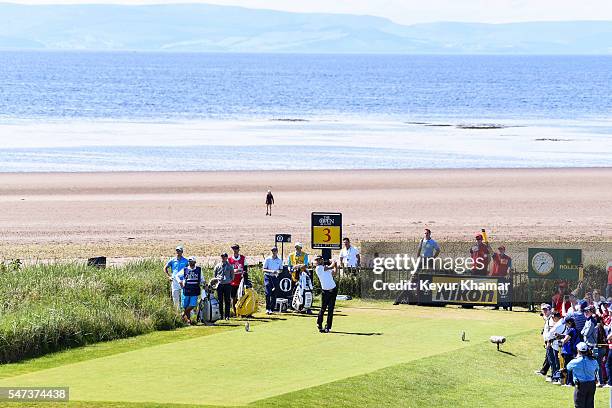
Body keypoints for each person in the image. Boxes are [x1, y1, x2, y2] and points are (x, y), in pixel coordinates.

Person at [566, 342, 598, 408]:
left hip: (581, 385)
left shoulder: (575, 361)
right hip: (592, 384)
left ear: (578, 350)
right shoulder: (594, 361)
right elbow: (597, 369)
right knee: (590, 404)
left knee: (579, 405)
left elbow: (568, 368)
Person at [174, 256, 204, 324]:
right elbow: (177, 276)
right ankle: (188, 320)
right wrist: (179, 282)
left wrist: (204, 284)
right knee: (185, 306)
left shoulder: (199, 270)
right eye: (189, 261)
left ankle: (183, 314)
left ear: (195, 262)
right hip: (186, 289)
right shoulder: (185, 269)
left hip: (195, 289)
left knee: (192, 305)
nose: (190, 262)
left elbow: (202, 279)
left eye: (192, 261)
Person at [314, 255, 338, 333]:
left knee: (330, 310)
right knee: (323, 308)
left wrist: (336, 265)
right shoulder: (319, 268)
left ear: (322, 260)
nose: (317, 261)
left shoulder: (325, 267)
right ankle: (319, 323)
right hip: (325, 291)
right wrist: (333, 261)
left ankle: (328, 327)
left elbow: (334, 273)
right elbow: (331, 267)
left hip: (333, 290)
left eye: (319, 260)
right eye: (316, 260)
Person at [164, 245, 189, 309]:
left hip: (182, 281)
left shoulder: (186, 261)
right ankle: (177, 312)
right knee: (175, 297)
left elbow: (189, 269)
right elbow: (165, 268)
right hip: (174, 280)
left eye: (179, 251)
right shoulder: (172, 260)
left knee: (184, 297)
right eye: (177, 250)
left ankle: (185, 311)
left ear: (182, 252)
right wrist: (168, 276)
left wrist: (187, 278)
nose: (178, 252)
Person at [214, 253, 234, 321]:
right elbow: (215, 275)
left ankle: (227, 316)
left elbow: (232, 276)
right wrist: (218, 281)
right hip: (219, 285)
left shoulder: (230, 266)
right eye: (222, 256)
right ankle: (220, 315)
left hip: (227, 285)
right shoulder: (217, 266)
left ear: (227, 257)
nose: (223, 258)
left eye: (224, 256)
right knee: (220, 301)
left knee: (227, 300)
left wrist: (228, 281)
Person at [262, 247, 283, 314]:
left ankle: (271, 309)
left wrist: (277, 272)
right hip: (268, 277)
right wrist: (271, 271)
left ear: (277, 251)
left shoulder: (279, 260)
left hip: (275, 277)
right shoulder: (268, 259)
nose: (274, 252)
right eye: (272, 251)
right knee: (268, 293)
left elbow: (281, 269)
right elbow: (264, 269)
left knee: (274, 294)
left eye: (275, 251)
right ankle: (267, 308)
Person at [228, 244, 247, 316]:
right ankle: (235, 312)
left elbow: (245, 269)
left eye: (236, 249)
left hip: (241, 281)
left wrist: (244, 274)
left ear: (238, 250)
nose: (235, 250)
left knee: (241, 297)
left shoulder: (242, 258)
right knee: (233, 297)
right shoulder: (229, 259)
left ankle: (241, 311)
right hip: (232, 281)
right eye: (233, 249)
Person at [561, 317, 580, 386]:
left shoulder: (571, 330)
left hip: (568, 351)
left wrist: (560, 341)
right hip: (573, 351)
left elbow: (565, 340)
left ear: (569, 323)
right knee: (571, 367)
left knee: (568, 367)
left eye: (566, 323)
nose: (566, 325)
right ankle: (570, 382)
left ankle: (569, 382)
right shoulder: (575, 329)